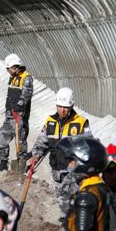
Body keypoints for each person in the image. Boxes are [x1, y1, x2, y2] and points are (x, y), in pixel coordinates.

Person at [28, 87, 91, 219]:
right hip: (56, 170)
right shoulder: (50, 121)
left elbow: (89, 146)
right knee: (62, 201)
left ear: (72, 106)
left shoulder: (80, 123)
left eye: (66, 107)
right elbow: (42, 141)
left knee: (74, 200)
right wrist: (35, 155)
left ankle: (76, 224)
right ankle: (65, 224)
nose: (62, 110)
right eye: (60, 106)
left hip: (73, 171)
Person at [0, 53, 34, 172]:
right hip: (9, 114)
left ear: (15, 66)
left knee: (20, 140)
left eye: (9, 68)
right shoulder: (13, 77)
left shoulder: (26, 77)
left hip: (20, 115)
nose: (8, 71)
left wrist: (19, 105)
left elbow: (27, 94)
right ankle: (3, 162)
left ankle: (20, 164)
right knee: (3, 136)